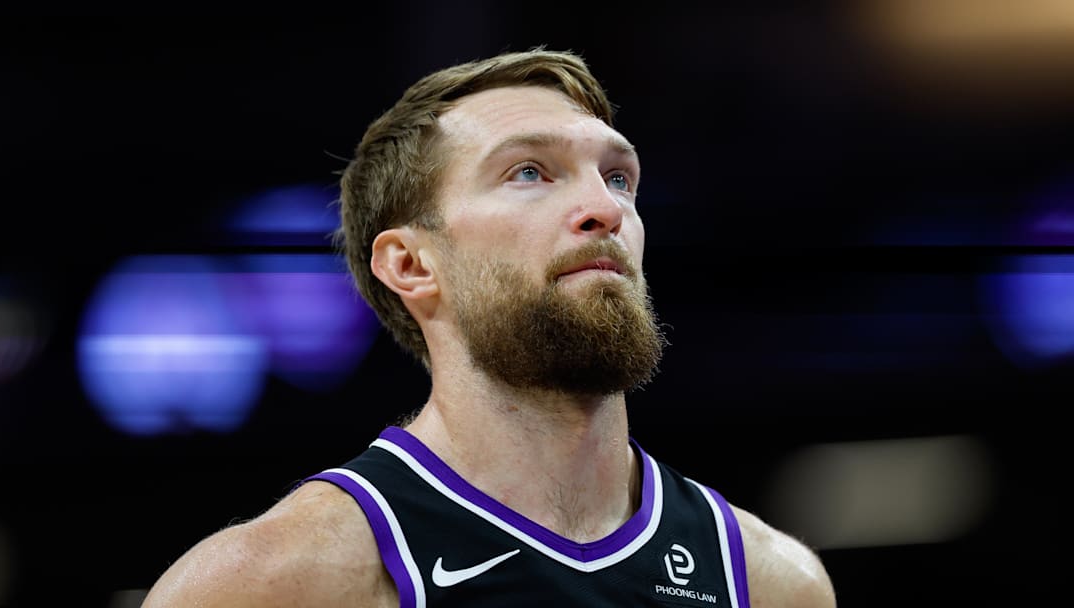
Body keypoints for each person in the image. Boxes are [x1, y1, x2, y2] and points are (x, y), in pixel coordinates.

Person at [141, 47, 837, 607]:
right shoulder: (271, 584)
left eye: (619, 178)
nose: (604, 207)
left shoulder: (773, 583)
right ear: (412, 264)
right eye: (530, 172)